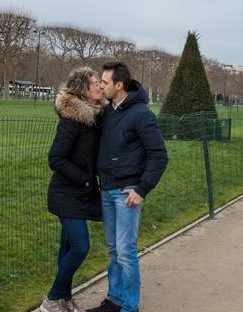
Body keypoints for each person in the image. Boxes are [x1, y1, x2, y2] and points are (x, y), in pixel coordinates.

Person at [86, 63, 168, 312]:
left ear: (119, 85)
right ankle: (115, 300)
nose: (101, 85)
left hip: (127, 192)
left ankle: (130, 307)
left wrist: (141, 190)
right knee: (114, 250)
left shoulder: (142, 114)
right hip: (107, 188)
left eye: (105, 82)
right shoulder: (108, 111)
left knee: (125, 251)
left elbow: (159, 155)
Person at [40, 68, 106, 312]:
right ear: (83, 90)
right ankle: (51, 299)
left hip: (78, 194)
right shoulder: (72, 121)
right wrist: (85, 180)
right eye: (95, 82)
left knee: (68, 247)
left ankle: (63, 300)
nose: (100, 85)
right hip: (66, 194)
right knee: (80, 247)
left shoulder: (94, 118)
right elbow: (55, 159)